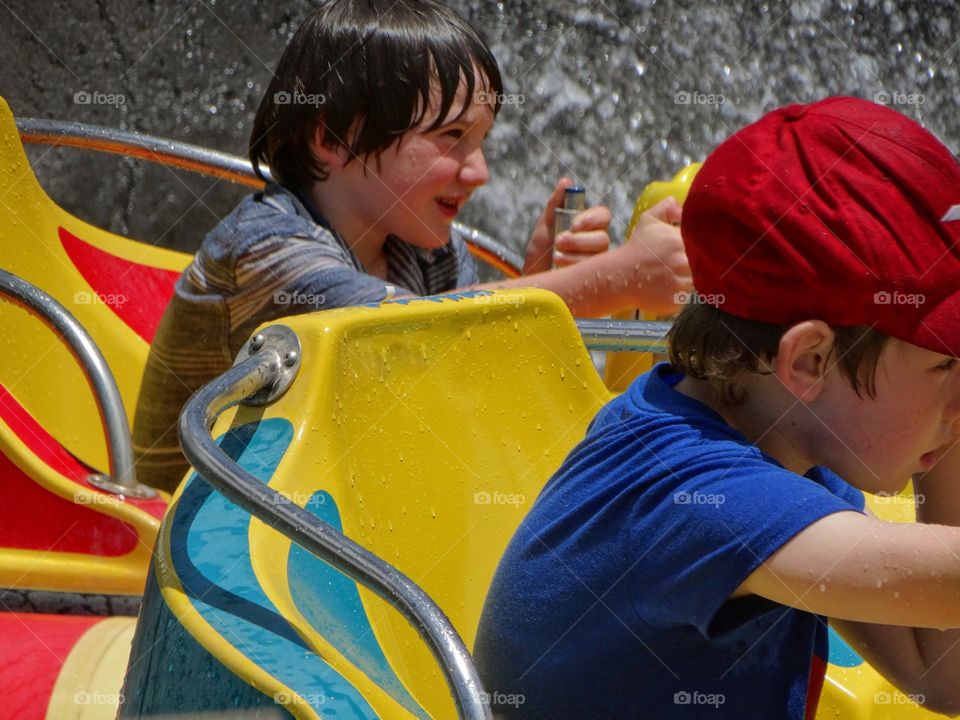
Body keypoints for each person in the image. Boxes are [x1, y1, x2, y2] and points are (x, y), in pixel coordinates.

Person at [473, 96, 960, 719]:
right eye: (946, 363)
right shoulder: (700, 499)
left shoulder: (778, 435)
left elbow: (940, 675)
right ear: (808, 360)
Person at [131, 0, 690, 493]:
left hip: (322, 509)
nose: (480, 174)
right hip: (196, 542)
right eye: (452, 138)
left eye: (482, 142)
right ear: (333, 138)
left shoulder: (425, 250)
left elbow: (467, 372)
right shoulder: (267, 250)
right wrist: (616, 279)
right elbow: (412, 334)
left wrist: (539, 274)